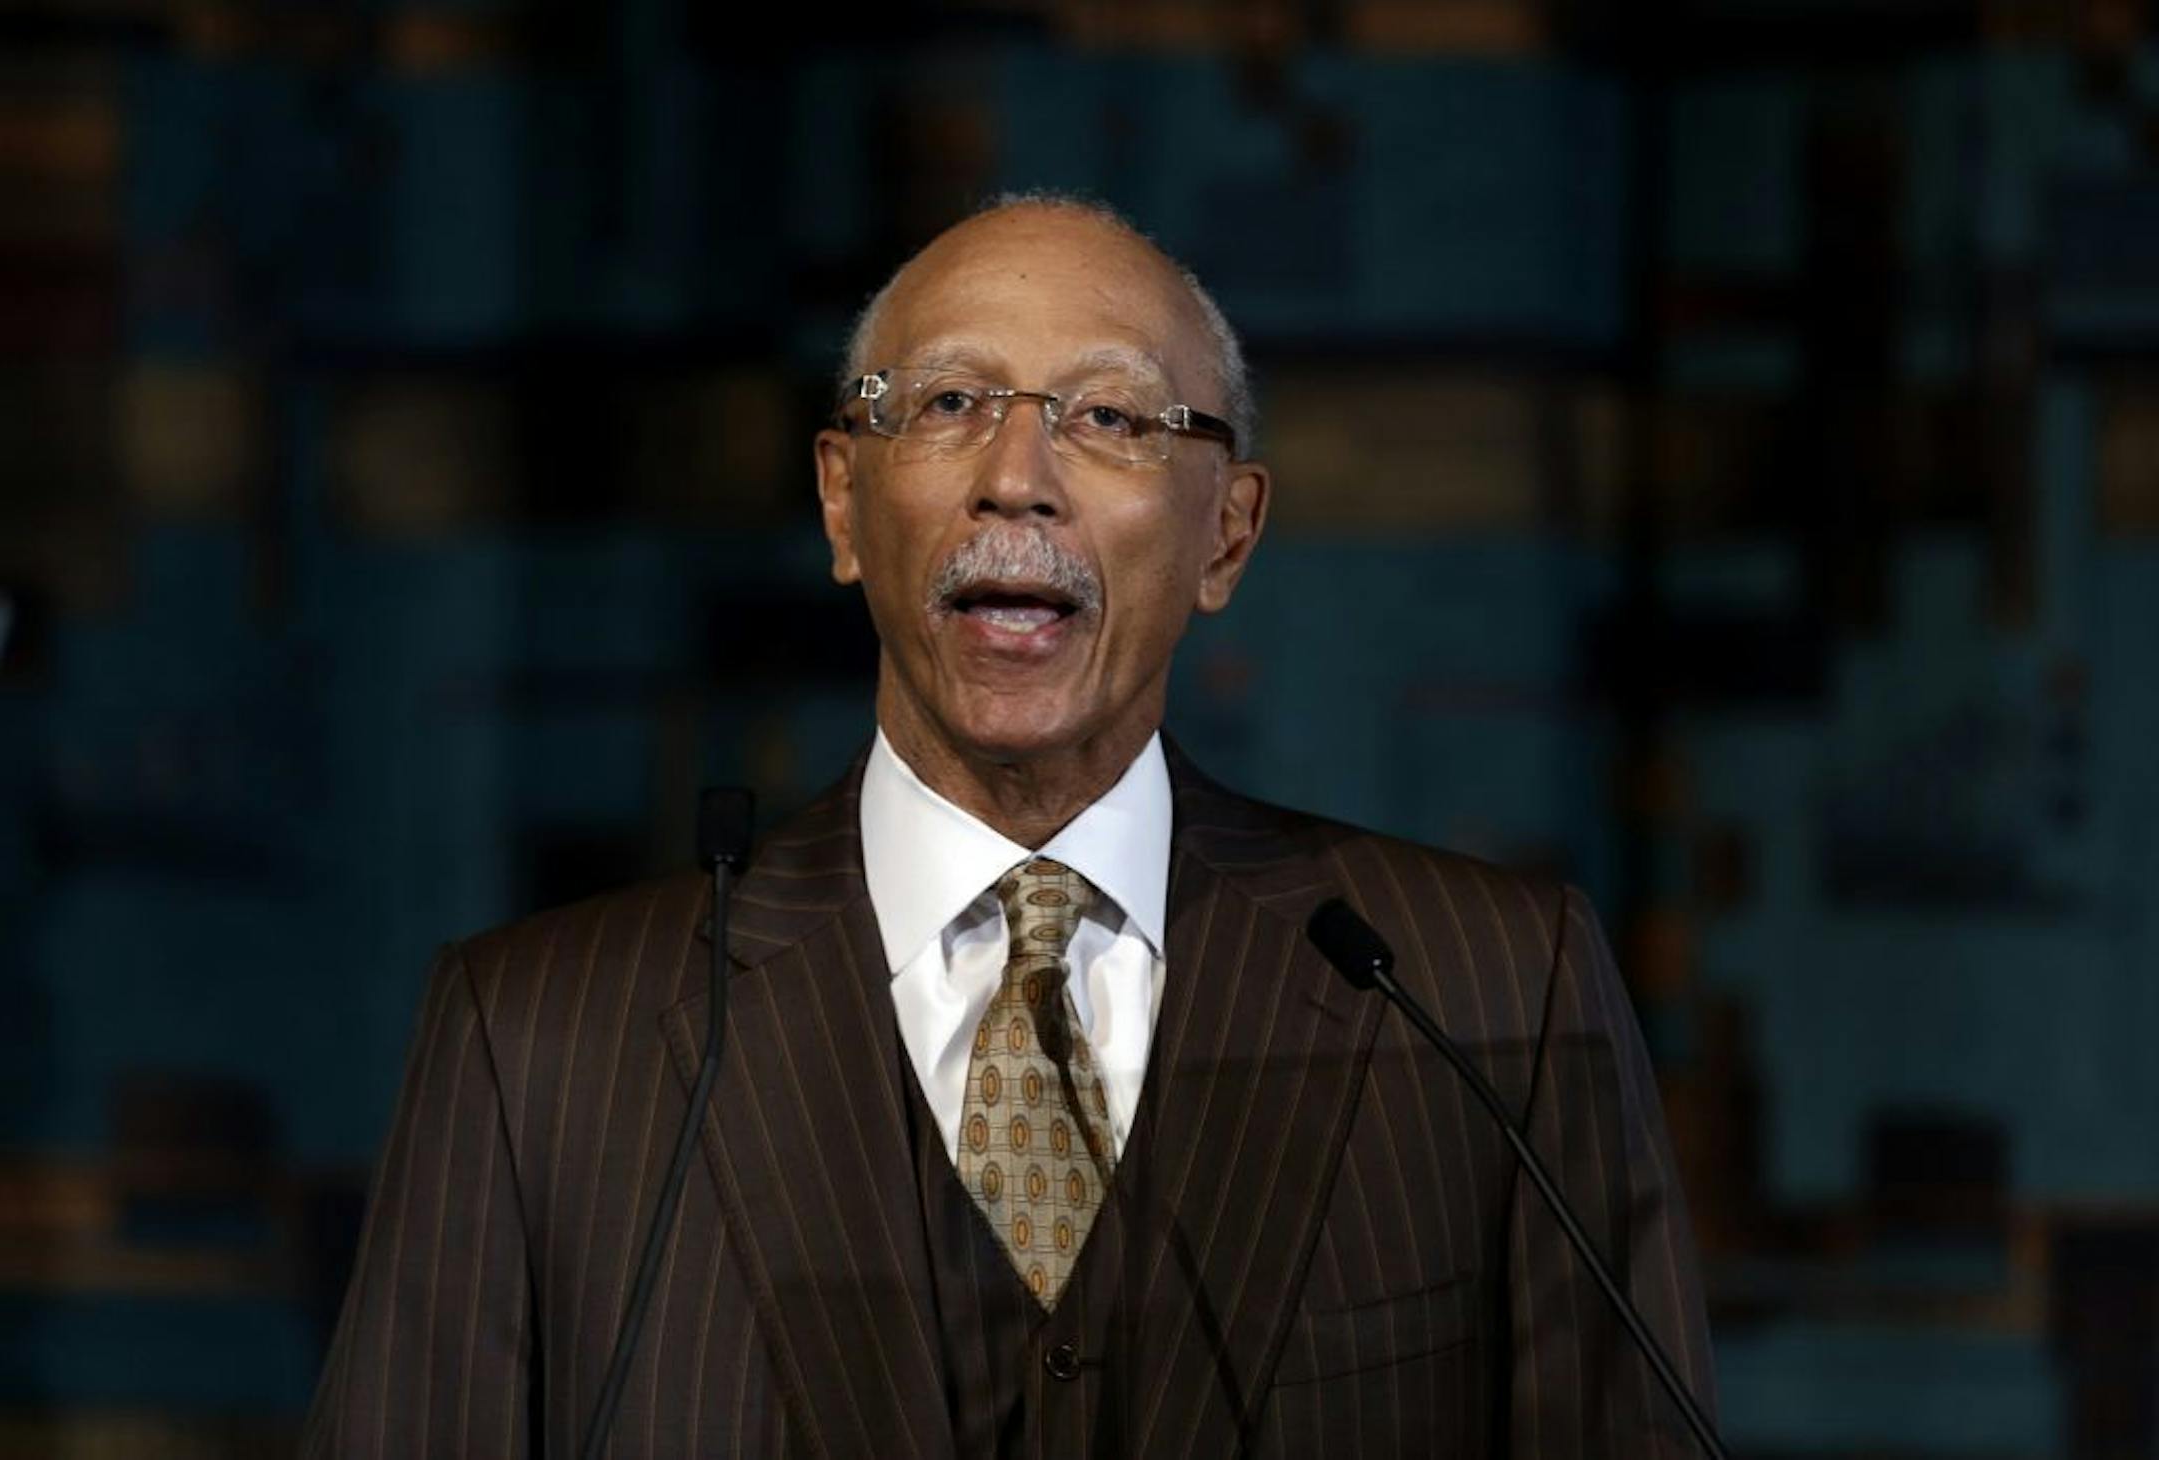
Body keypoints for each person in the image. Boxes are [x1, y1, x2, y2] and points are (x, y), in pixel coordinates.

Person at [303, 194, 1716, 1458]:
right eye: (947, 405)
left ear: (1227, 531)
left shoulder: (1477, 998)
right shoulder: (541, 1041)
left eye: (1111, 417)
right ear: (844, 502)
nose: (1017, 477)